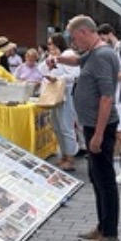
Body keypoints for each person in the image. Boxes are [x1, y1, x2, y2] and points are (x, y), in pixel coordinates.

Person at [54, 15, 120, 241]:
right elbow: (76, 61)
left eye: (74, 38)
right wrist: (58, 59)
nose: (74, 43)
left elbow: (106, 97)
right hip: (92, 125)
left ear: (84, 32)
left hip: (100, 126)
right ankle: (103, 227)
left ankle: (110, 236)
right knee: (98, 179)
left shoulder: (102, 56)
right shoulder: (93, 53)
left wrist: (99, 134)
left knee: (105, 181)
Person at [97, 23, 121, 185]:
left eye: (103, 37)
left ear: (109, 34)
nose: (102, 41)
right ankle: (118, 167)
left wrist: (108, 75)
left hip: (120, 97)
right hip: (116, 97)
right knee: (117, 132)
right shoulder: (115, 50)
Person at [38, 33, 80, 171]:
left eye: (51, 43)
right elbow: (41, 69)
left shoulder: (68, 54)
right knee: (56, 126)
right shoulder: (52, 56)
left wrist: (59, 78)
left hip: (66, 94)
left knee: (66, 126)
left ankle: (70, 157)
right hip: (54, 95)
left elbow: (75, 75)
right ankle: (63, 154)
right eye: (48, 44)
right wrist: (49, 60)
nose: (49, 46)